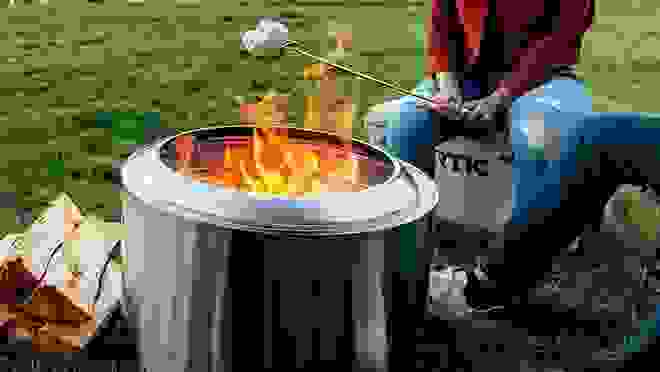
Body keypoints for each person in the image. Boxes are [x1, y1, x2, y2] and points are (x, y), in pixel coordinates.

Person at [363, 0, 657, 325]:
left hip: (544, 79)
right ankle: (404, 270)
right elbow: (442, 27)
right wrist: (448, 90)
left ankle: (516, 277)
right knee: (406, 123)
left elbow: (558, 43)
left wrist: (503, 96)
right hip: (464, 79)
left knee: (538, 132)